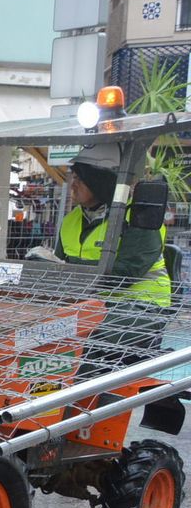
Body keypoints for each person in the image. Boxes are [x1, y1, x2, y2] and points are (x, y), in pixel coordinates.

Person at [27, 146, 171, 369]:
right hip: (89, 305)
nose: (72, 184)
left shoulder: (140, 216)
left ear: (101, 182)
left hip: (139, 307)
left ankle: (72, 397)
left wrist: (64, 267)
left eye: (80, 179)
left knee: (83, 347)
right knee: (31, 333)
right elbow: (61, 274)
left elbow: (125, 272)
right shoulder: (71, 220)